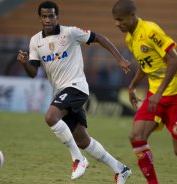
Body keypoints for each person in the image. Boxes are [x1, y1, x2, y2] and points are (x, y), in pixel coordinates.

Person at [17, 1, 132, 183]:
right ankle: (120, 169)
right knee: (82, 140)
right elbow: (33, 72)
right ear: (40, 18)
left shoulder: (70, 33)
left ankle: (78, 159)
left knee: (50, 117)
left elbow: (99, 37)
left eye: (51, 16)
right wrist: (24, 63)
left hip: (76, 87)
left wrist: (119, 59)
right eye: (44, 16)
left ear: (57, 17)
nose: (48, 19)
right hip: (60, 91)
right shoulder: (35, 41)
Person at [112, 0, 177, 183]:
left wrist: (160, 92)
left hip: (175, 94)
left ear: (132, 15)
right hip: (156, 95)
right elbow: (147, 65)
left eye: (121, 20)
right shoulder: (130, 38)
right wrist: (133, 85)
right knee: (136, 136)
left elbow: (175, 61)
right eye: (115, 20)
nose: (117, 24)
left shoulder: (151, 31)